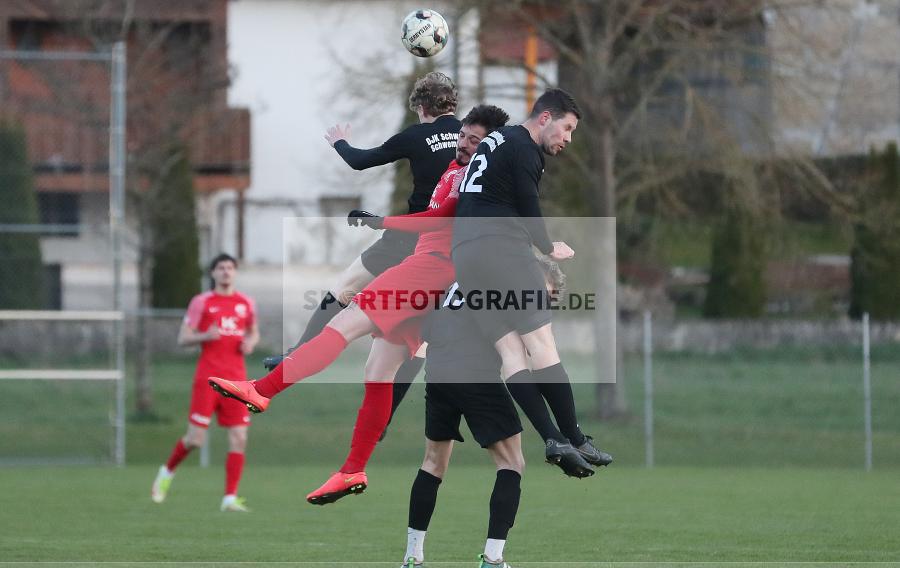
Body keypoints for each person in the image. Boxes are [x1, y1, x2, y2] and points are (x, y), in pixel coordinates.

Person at [208, 106, 511, 505]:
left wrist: (381, 222)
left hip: (429, 269)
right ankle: (352, 470)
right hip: (431, 273)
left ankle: (262, 390)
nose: (464, 143)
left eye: (475, 140)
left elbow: (437, 221)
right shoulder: (457, 169)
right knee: (379, 369)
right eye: (463, 136)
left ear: (488, 146)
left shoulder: (477, 176)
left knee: (347, 322)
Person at [261, 72, 462, 408]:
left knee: (345, 287)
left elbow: (360, 161)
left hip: (404, 236)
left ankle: (295, 355)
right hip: (445, 246)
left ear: (422, 106)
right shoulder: (472, 137)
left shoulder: (416, 135)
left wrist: (339, 141)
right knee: (419, 333)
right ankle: (388, 412)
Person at [450, 88, 611, 469]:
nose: (568, 139)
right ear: (545, 118)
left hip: (466, 256)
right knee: (542, 345)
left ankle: (552, 438)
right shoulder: (525, 148)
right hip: (500, 247)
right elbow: (527, 204)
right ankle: (576, 438)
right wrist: (546, 245)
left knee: (510, 353)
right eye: (567, 128)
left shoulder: (496, 139)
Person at [400, 282, 526, 568]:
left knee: (432, 463)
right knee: (512, 463)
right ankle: (493, 560)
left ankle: (412, 559)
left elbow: (426, 333)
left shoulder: (448, 280)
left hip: (440, 373)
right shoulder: (502, 279)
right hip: (477, 375)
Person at [151, 254, 259, 512]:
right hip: (208, 379)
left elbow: (253, 331)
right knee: (195, 439)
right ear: (212, 273)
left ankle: (229, 498)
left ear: (235, 272)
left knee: (239, 437)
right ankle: (167, 471)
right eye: (221, 268)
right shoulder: (202, 302)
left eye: (230, 268)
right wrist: (205, 335)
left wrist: (251, 342)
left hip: (236, 382)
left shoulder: (246, 303)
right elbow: (182, 338)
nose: (226, 272)